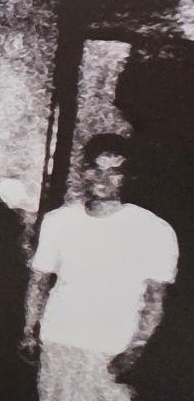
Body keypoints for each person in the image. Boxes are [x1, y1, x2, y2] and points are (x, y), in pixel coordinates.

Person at [24, 133, 178, 401]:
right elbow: (39, 282)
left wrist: (136, 348)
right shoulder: (58, 221)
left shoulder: (155, 230)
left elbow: (155, 301)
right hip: (59, 340)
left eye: (113, 172)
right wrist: (29, 330)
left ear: (128, 177)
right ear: (83, 170)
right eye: (95, 168)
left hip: (111, 349)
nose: (102, 178)